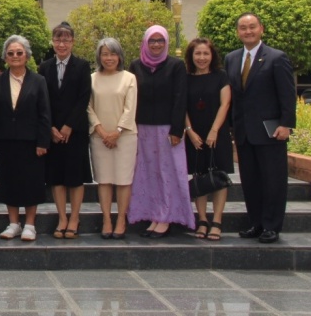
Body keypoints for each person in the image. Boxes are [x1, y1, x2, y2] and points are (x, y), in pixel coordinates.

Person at [224, 12, 296, 243]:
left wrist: (286, 124)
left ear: (261, 29)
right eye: (243, 28)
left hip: (270, 131)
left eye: (252, 27)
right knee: (251, 180)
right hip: (244, 132)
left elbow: (287, 94)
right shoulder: (232, 59)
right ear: (238, 32)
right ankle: (255, 223)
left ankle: (271, 226)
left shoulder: (276, 58)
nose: (248, 31)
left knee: (273, 180)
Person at [128, 25, 195, 237]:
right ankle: (152, 214)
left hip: (168, 130)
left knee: (169, 173)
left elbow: (180, 98)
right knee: (148, 174)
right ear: (145, 43)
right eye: (152, 41)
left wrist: (177, 129)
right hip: (143, 129)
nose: (156, 45)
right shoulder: (136, 66)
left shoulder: (176, 66)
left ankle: (166, 216)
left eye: (160, 41)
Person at [0, 35, 51, 242]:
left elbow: (44, 113)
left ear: (26, 55)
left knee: (31, 182)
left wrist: (43, 142)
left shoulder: (38, 80)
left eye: (19, 53)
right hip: (5, 141)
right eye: (10, 53)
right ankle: (14, 223)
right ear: (5, 57)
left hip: (31, 141)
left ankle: (30, 225)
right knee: (9, 181)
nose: (15, 56)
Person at [38, 22, 92, 240]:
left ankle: (75, 217)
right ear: (53, 42)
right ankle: (62, 217)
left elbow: (83, 98)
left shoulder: (82, 66)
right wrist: (51, 127)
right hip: (52, 131)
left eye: (66, 40)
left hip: (75, 130)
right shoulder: (45, 67)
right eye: (58, 40)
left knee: (75, 177)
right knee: (57, 178)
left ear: (73, 42)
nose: (62, 44)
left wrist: (69, 125)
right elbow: (43, 100)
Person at [87, 38, 138, 239]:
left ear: (120, 56)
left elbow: (130, 107)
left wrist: (117, 132)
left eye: (113, 53)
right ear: (99, 56)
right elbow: (88, 106)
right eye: (105, 54)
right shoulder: (91, 78)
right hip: (99, 137)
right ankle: (107, 219)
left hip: (124, 136)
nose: (109, 58)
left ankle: (121, 219)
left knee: (123, 180)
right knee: (104, 180)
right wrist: (101, 131)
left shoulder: (129, 78)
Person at [183, 38, 232, 241]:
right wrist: (189, 131)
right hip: (194, 135)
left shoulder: (221, 76)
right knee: (199, 176)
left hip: (216, 134)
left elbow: (225, 104)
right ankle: (202, 220)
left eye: (205, 54)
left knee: (219, 178)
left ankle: (217, 221)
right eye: (197, 54)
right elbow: (182, 106)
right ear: (191, 56)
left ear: (212, 56)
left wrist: (214, 131)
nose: (201, 58)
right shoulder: (185, 77)